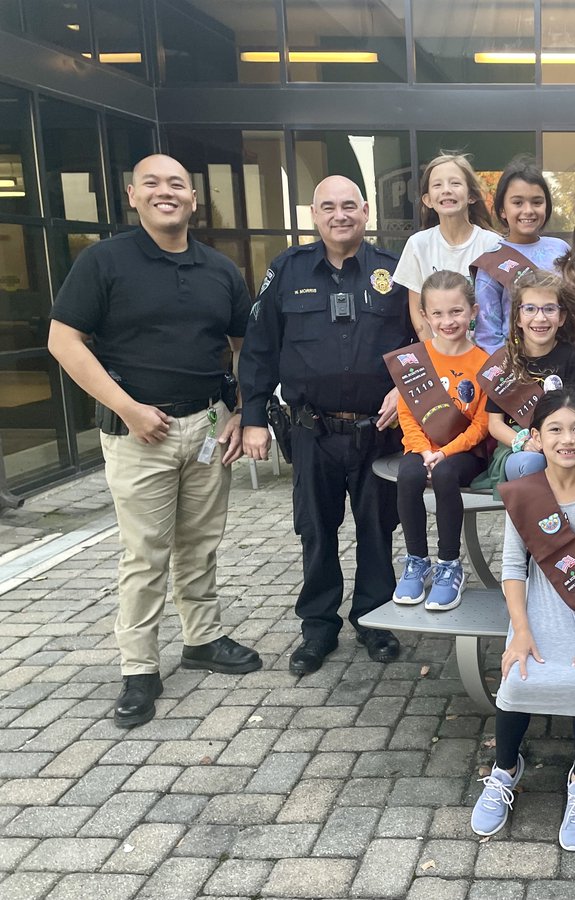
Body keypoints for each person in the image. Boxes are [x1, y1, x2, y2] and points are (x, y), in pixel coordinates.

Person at [47, 153, 261, 729]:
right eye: (152, 183)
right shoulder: (104, 261)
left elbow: (244, 346)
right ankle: (139, 668)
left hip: (206, 430)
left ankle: (203, 639)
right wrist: (127, 408)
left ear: (193, 199)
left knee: (201, 542)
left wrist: (238, 410)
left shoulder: (219, 269)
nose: (165, 192)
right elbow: (63, 342)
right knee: (144, 555)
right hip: (139, 432)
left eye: (177, 185)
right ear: (132, 195)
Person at [240, 175, 413, 674]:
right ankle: (318, 628)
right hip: (310, 430)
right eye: (328, 207)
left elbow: (422, 342)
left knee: (378, 529)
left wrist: (403, 391)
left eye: (349, 206)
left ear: (366, 211)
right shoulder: (286, 270)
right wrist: (253, 417)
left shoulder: (394, 271)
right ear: (314, 216)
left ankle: (373, 618)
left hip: (378, 431)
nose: (340, 215)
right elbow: (259, 349)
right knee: (316, 530)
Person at [471, 391, 575, 852]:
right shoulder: (524, 494)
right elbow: (514, 568)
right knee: (516, 678)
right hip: (535, 604)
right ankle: (505, 770)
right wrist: (521, 632)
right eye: (554, 429)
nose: (567, 438)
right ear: (536, 438)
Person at [386, 271, 490, 611]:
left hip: (464, 451)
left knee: (445, 475)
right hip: (422, 446)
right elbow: (406, 415)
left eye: (456, 311)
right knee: (409, 475)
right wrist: (424, 451)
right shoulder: (414, 360)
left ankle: (449, 564)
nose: (448, 321)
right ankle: (417, 560)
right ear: (425, 316)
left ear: (473, 312)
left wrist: (443, 453)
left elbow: (481, 424)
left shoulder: (484, 363)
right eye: (439, 314)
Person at [481, 270, 575, 483]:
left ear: (561, 317)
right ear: (517, 317)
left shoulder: (570, 356)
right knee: (535, 463)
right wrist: (524, 442)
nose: (540, 317)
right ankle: (527, 516)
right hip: (518, 448)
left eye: (549, 309)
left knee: (570, 461)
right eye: (530, 309)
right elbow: (495, 424)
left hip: (563, 440)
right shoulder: (504, 361)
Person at [393, 152, 500, 342]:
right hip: (439, 358)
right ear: (427, 200)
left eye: (455, 183)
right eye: (437, 185)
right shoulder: (418, 244)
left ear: (472, 196)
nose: (446, 190)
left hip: (485, 356)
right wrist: (435, 356)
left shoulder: (492, 244)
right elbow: (418, 313)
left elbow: (501, 306)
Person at [472, 157, 569, 353]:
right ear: (502, 210)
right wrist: (515, 378)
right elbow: (488, 336)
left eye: (537, 202)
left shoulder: (562, 250)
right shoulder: (492, 261)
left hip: (565, 366)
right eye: (517, 202)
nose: (528, 211)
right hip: (516, 370)